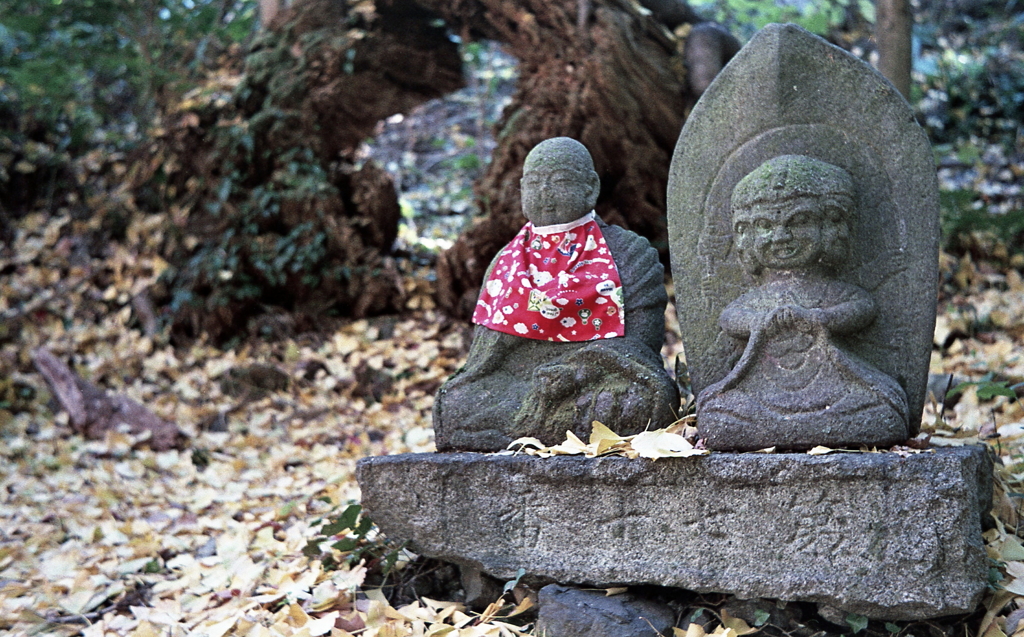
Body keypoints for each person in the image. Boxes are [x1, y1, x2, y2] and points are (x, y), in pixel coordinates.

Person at [434, 137, 679, 452]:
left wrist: (577, 373)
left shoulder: (630, 253)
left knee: (648, 399)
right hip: (518, 387)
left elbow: (641, 345)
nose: (544, 192)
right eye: (534, 183)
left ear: (590, 187)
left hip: (590, 384)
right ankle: (535, 423)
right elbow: (482, 362)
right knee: (454, 402)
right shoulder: (506, 263)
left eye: (559, 181)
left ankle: (523, 428)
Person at [697, 155, 909, 451]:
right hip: (761, 390)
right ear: (745, 233)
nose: (781, 236)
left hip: (834, 388)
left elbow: (862, 308)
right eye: (765, 225)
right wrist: (759, 321)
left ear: (832, 226)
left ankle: (807, 426)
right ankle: (787, 427)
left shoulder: (834, 291)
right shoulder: (758, 297)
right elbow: (731, 317)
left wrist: (818, 318)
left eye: (799, 221)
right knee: (717, 414)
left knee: (884, 408)